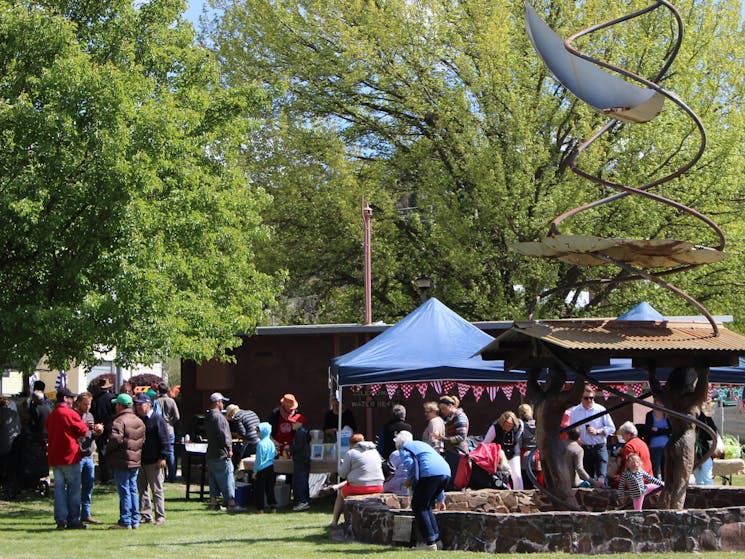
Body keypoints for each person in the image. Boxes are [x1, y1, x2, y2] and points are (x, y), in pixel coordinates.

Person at [395, 430, 450, 551]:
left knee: (418, 505)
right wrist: (441, 499)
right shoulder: (422, 445)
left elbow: (411, 466)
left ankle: (430, 543)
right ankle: (437, 541)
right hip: (446, 472)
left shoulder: (404, 449)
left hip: (430, 474)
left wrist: (410, 480)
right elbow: (433, 467)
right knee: (425, 506)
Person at [46, 388, 90, 530]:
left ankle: (60, 519)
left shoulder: (52, 415)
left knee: (59, 489)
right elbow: (83, 430)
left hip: (55, 457)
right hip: (70, 456)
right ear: (65, 399)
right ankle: (73, 519)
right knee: (74, 489)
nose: (72, 401)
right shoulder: (70, 413)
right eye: (70, 398)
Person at [106, 393, 146, 529]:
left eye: (116, 404)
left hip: (121, 459)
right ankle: (135, 519)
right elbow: (142, 440)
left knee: (124, 490)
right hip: (135, 459)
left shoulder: (119, 421)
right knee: (133, 489)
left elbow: (115, 439)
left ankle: (125, 520)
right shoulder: (139, 420)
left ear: (120, 405)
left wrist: (108, 450)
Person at [330, 433, 384, 527]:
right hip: (378, 486)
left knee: (340, 495)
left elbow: (342, 474)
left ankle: (334, 521)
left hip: (359, 487)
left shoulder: (351, 453)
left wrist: (342, 465)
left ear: (351, 444)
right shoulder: (375, 452)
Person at [134, 392, 169, 525]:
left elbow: (164, 440)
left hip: (155, 461)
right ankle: (145, 515)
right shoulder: (138, 419)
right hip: (140, 460)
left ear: (148, 405)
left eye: (140, 404)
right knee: (142, 489)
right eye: (136, 405)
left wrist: (163, 457)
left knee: (157, 489)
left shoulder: (157, 419)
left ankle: (160, 516)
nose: (138, 407)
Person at [204, 392, 243, 513]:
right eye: (222, 402)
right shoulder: (219, 417)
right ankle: (231, 503)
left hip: (211, 453)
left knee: (213, 478)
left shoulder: (208, 416)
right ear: (217, 402)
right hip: (221, 453)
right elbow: (224, 435)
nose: (223, 404)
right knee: (227, 477)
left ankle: (214, 503)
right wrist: (229, 449)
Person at [568, 388, 615, 484]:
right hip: (584, 448)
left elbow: (611, 428)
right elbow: (570, 429)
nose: (589, 400)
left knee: (602, 476)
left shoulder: (600, 409)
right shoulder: (575, 411)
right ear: (581, 398)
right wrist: (576, 439)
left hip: (599, 447)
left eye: (591, 398)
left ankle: (604, 497)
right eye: (586, 398)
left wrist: (597, 431)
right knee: (586, 478)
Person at [74, 392, 103, 524]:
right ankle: (73, 515)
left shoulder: (90, 416)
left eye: (89, 404)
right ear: (78, 403)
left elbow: (90, 436)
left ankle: (86, 513)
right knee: (74, 487)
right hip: (77, 456)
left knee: (88, 486)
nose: (87, 407)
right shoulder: (73, 416)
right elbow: (72, 435)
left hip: (89, 455)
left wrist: (97, 432)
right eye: (85, 404)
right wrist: (83, 427)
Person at [484, 410, 524, 490]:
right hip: (500, 455)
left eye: (510, 425)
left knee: (517, 475)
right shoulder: (495, 427)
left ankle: (519, 493)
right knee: (502, 475)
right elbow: (486, 443)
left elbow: (518, 436)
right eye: (506, 425)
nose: (508, 428)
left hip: (514, 452)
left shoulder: (520, 425)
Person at [90, 377, 116, 484]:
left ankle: (104, 475)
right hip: (111, 428)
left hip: (99, 428)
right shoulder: (113, 398)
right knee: (114, 451)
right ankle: (113, 473)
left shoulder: (94, 400)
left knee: (101, 451)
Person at [155, 382, 180, 483]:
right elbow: (177, 416)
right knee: (171, 453)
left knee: (159, 452)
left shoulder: (156, 401)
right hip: (169, 429)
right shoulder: (171, 401)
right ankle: (172, 476)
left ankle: (162, 475)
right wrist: (171, 422)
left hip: (159, 429)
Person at [253, 421, 278, 513]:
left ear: (262, 432)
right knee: (270, 488)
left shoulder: (260, 444)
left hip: (261, 469)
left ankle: (260, 509)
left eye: (257, 431)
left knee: (259, 489)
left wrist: (255, 471)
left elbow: (258, 459)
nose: (256, 433)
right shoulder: (271, 443)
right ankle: (273, 506)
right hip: (270, 467)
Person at [642, 401, 670, 480]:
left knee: (666, 468)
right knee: (655, 468)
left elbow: (670, 430)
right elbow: (648, 431)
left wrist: (657, 430)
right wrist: (664, 430)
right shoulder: (650, 415)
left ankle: (665, 486)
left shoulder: (667, 414)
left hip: (666, 445)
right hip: (654, 446)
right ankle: (655, 487)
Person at [289, 413, 311, 511]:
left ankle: (302, 501)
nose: (292, 424)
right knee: (304, 480)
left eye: (294, 422)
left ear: (300, 423)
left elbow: (298, 447)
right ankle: (305, 500)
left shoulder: (299, 433)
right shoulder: (305, 432)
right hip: (305, 459)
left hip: (300, 460)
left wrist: (289, 448)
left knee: (299, 481)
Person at [693, 406, 719, 485]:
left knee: (706, 478)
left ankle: (711, 496)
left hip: (704, 452)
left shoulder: (706, 420)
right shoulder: (689, 420)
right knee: (699, 479)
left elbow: (712, 435)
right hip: (694, 453)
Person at [517, 403, 538, 487]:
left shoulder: (520, 426)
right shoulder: (537, 425)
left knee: (526, 483)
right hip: (537, 456)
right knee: (536, 482)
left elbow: (519, 443)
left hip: (524, 456)